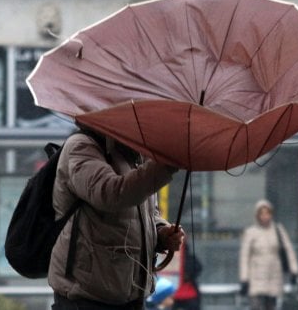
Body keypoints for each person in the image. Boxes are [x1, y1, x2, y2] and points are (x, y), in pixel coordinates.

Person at [49, 129, 185, 310]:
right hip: (86, 297)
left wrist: (161, 232)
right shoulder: (82, 146)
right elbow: (111, 194)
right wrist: (165, 165)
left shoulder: (136, 155)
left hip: (131, 295)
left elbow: (147, 214)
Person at [239, 199, 298, 310]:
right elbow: (244, 257)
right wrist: (244, 279)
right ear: (257, 215)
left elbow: (288, 250)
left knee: (271, 306)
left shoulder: (278, 230)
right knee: (256, 305)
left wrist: (294, 270)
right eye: (262, 214)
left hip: (273, 276)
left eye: (267, 213)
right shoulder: (251, 232)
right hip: (256, 277)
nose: (265, 216)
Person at [172, 242, 202, 310]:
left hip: (188, 291)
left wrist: (188, 274)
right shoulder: (171, 260)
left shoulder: (189, 259)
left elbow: (198, 268)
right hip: (174, 292)